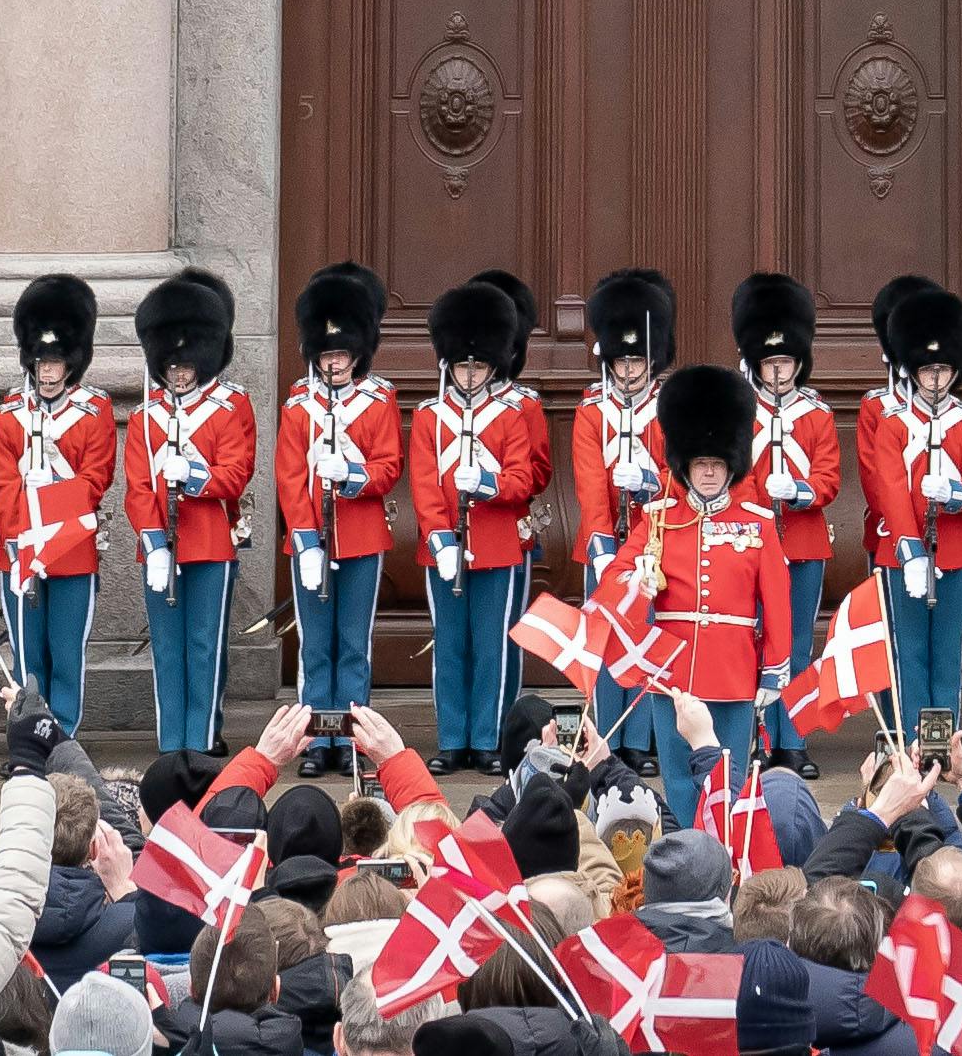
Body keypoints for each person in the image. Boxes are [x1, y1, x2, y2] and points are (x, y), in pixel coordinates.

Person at [630, 363, 793, 827]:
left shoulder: (757, 522)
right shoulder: (658, 517)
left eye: (716, 464)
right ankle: (688, 847)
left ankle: (725, 849)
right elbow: (622, 571)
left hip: (733, 670)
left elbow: (777, 600)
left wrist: (773, 669)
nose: (706, 473)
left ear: (731, 466)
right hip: (672, 667)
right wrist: (633, 579)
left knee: (730, 773)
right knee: (679, 775)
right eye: (699, 464)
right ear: (684, 465)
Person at [413, 272, 548, 772]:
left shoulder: (510, 414)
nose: (470, 375)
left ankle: (489, 738)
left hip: (497, 544)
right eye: (463, 367)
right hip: (443, 546)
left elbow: (521, 477)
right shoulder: (430, 415)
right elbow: (424, 484)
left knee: (492, 645)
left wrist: (490, 484)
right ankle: (453, 738)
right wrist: (441, 538)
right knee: (450, 645)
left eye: (479, 367)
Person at [125, 268, 254, 759]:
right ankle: (171, 740)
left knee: (204, 646)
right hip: (162, 548)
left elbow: (236, 473)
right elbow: (137, 487)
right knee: (168, 649)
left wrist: (196, 478)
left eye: (185, 364)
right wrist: (154, 543)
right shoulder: (145, 416)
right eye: (170, 365)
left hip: (210, 541)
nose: (178, 372)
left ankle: (199, 740)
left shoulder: (227, 407)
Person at [861, 277, 962, 736]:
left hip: (956, 549)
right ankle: (913, 737)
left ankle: (947, 739)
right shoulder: (894, 424)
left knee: (947, 653)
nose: (935, 380)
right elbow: (890, 487)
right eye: (926, 371)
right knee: (908, 649)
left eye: (942, 371)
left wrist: (955, 495)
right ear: (912, 371)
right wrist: (910, 549)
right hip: (906, 554)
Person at [278, 263, 402, 735]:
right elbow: (290, 477)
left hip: (362, 536)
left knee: (353, 643)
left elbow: (389, 466)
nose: (333, 363)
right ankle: (317, 737)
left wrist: (353, 475)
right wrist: (307, 539)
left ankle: (351, 734)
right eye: (326, 354)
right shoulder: (298, 405)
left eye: (342, 354)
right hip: (312, 542)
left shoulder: (378, 400)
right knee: (315, 645)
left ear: (357, 355)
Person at [0, 274, 118, 736]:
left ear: (71, 364)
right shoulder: (9, 413)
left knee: (66, 651)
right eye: (41, 362)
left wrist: (52, 501)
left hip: (69, 548)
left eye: (56, 362)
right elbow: (2, 485)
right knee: (28, 654)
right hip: (20, 548)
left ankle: (61, 736)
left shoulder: (95, 410)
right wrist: (27, 520)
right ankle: (28, 736)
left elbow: (97, 477)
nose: (47, 372)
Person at [733, 274, 841, 773]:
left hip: (802, 541)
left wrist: (799, 492)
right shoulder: (743, 411)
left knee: (797, 643)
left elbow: (829, 478)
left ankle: (794, 739)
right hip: (755, 542)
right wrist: (758, 499)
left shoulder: (815, 413)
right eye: (770, 364)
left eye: (786, 363)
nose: (779, 373)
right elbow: (732, 476)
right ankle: (758, 736)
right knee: (756, 639)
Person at [577, 268, 682, 742]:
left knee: (645, 635)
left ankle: (639, 738)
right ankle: (606, 736)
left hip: (653, 543)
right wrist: (600, 543)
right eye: (621, 361)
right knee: (603, 639)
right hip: (606, 541)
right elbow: (588, 482)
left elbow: (675, 476)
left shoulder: (667, 406)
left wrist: (647, 484)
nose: (628, 370)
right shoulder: (592, 409)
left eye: (637, 361)